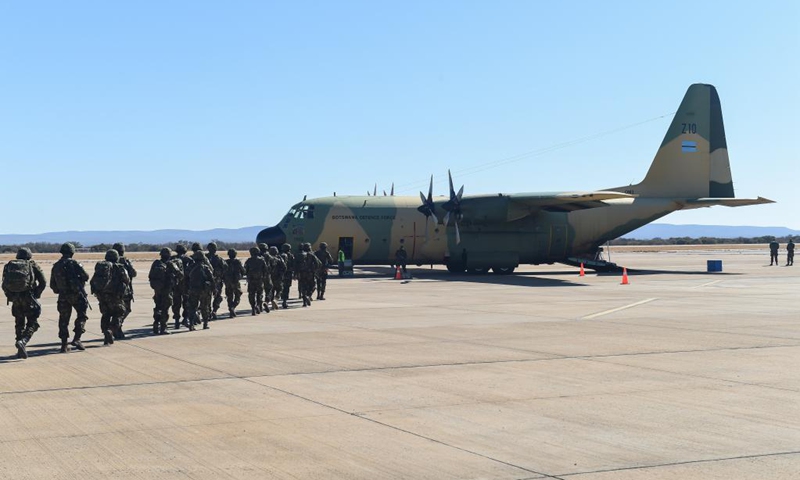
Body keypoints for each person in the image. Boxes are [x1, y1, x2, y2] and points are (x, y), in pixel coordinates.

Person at [2, 248, 47, 358]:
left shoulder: (9, 266)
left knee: (19, 323)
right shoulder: (32, 265)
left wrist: (11, 296)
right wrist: (37, 294)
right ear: (29, 256)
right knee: (33, 323)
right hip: (29, 297)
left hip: (16, 299)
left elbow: (4, 284)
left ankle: (19, 348)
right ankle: (23, 341)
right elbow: (43, 282)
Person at [50, 243, 90, 353]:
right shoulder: (75, 264)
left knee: (63, 320)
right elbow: (86, 276)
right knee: (82, 316)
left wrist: (61, 289)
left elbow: (53, 285)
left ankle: (64, 344)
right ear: (72, 252)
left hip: (63, 296)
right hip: (77, 295)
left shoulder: (56, 265)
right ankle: (77, 338)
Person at [91, 249, 130, 346]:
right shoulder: (119, 267)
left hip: (102, 296)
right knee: (119, 313)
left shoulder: (101, 267)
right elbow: (127, 279)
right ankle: (111, 330)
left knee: (106, 315)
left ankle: (106, 337)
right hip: (115, 296)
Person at [148, 247, 183, 335]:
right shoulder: (170, 264)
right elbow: (180, 275)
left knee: (157, 307)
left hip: (157, 290)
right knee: (165, 309)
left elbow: (150, 276)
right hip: (167, 290)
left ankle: (156, 324)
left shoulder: (156, 263)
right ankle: (163, 328)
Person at [112, 243, 137, 339]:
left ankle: (115, 328)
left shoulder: (108, 262)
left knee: (115, 312)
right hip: (124, 291)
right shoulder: (125, 261)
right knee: (125, 310)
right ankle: (115, 328)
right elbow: (133, 273)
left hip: (111, 291)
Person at [186, 250, 214, 330]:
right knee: (204, 307)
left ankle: (191, 324)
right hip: (204, 291)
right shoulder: (206, 268)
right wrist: (213, 289)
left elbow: (186, 278)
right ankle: (205, 323)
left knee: (192, 307)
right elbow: (211, 279)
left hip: (193, 290)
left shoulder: (190, 267)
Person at [171, 244, 192, 329]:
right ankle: (185, 318)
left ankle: (176, 320)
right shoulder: (188, 259)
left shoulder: (172, 259)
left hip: (176, 284)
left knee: (176, 303)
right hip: (186, 284)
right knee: (186, 302)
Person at [206, 242, 227, 319]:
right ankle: (214, 310)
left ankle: (207, 312)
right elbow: (225, 268)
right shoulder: (219, 259)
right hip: (217, 281)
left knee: (207, 297)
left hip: (206, 281)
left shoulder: (204, 258)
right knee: (217, 296)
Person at [244, 247, 267, 315]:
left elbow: (245, 270)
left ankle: (253, 308)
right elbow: (265, 270)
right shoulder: (262, 260)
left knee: (251, 294)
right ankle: (258, 305)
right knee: (260, 294)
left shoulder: (248, 261)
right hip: (259, 280)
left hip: (251, 280)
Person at [224, 248, 246, 317]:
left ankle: (231, 307)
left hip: (227, 281)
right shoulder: (237, 262)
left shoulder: (226, 262)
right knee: (238, 295)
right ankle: (233, 307)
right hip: (235, 281)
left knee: (229, 296)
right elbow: (243, 271)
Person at [268, 246, 285, 311]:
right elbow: (284, 267)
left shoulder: (268, 259)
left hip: (270, 277)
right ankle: (276, 299)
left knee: (271, 290)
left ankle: (272, 305)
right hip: (278, 277)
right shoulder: (279, 259)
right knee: (279, 289)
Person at [257, 243, 273, 313]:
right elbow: (273, 264)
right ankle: (266, 301)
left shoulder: (257, 256)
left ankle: (259, 305)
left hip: (259, 276)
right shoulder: (269, 256)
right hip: (267, 275)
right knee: (269, 289)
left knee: (259, 292)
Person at [280, 243, 295, 309]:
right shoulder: (291, 256)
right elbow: (294, 265)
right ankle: (284, 301)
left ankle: (280, 298)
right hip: (288, 274)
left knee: (281, 287)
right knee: (287, 288)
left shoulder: (280, 255)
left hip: (281, 274)